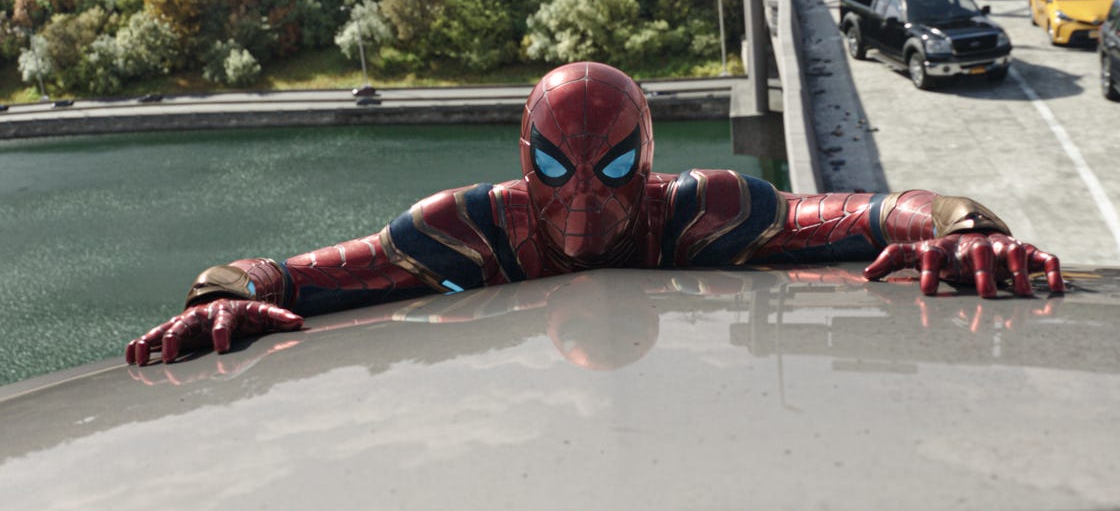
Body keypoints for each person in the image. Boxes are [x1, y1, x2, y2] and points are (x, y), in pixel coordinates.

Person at [126, 61, 1064, 366]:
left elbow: (874, 211)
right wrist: (221, 293)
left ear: (646, 163)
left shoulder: (702, 208)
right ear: (521, 163)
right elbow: (287, 274)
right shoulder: (464, 224)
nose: (581, 196)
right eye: (553, 166)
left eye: (612, 167)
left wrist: (965, 228)